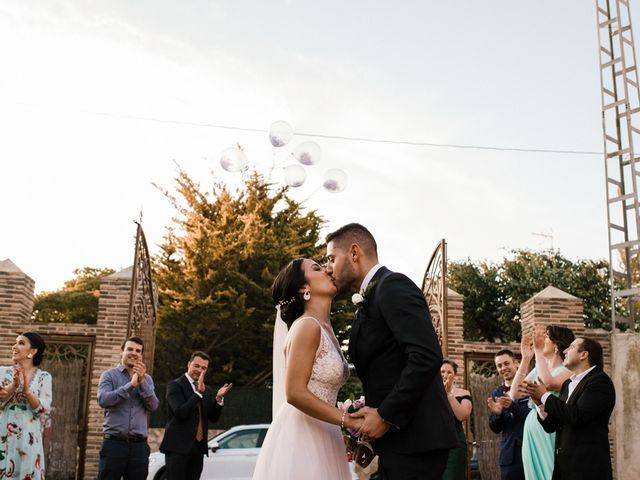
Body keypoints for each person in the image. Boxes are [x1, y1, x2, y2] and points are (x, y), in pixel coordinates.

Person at [325, 223, 457, 480]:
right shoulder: (369, 300)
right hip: (399, 442)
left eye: (331, 258)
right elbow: (386, 370)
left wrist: (385, 415)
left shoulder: (392, 285)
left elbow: (426, 355)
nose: (328, 267)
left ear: (354, 253)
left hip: (418, 441)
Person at [252, 258, 363, 479]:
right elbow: (294, 393)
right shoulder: (307, 326)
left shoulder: (325, 329)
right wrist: (347, 420)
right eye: (317, 269)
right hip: (303, 435)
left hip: (326, 431)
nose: (327, 270)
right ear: (304, 287)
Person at [521, 337, 615, 480]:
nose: (565, 350)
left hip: (587, 467)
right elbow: (553, 425)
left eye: (571, 347)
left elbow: (577, 416)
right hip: (564, 469)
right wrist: (540, 403)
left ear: (584, 354)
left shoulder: (599, 382)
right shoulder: (567, 384)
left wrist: (545, 395)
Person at [509, 324, 574, 480]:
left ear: (557, 345)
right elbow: (515, 393)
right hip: (532, 425)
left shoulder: (568, 369)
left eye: (546, 337)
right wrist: (525, 359)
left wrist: (538, 352)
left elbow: (549, 383)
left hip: (550, 427)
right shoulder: (540, 366)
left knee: (550, 470)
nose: (540, 340)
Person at [160, 351, 233, 480]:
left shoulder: (207, 390)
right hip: (177, 449)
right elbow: (180, 413)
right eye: (196, 366)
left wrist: (218, 399)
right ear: (188, 364)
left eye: (203, 368)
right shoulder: (175, 386)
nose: (199, 370)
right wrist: (198, 393)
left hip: (198, 449)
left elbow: (213, 418)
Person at [97, 336, 159, 480]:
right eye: (130, 349)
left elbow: (154, 406)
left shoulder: (147, 379)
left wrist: (142, 383)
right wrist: (131, 385)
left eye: (138, 351)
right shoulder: (109, 376)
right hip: (114, 444)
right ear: (121, 352)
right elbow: (103, 400)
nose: (134, 353)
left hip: (139, 448)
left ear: (141, 355)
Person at [0, 332, 52, 480]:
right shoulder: (2, 372)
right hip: (3, 433)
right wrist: (14, 385)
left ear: (33, 351)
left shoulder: (44, 377)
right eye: (15, 342)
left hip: (28, 438)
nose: (14, 346)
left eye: (21, 343)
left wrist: (27, 391)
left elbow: (42, 410)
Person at [487, 349, 530, 480]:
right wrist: (497, 414)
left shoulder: (529, 386)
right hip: (509, 455)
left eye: (506, 363)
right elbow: (495, 428)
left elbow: (534, 416)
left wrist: (512, 406)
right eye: (499, 366)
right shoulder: (497, 392)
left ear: (516, 363)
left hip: (530, 450)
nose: (503, 368)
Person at [440, 359, 473, 480]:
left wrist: (448, 394)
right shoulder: (431, 393)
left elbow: (462, 415)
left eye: (449, 372)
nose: (445, 375)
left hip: (455, 445)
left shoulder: (463, 393)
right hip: (434, 444)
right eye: (442, 371)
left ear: (455, 375)